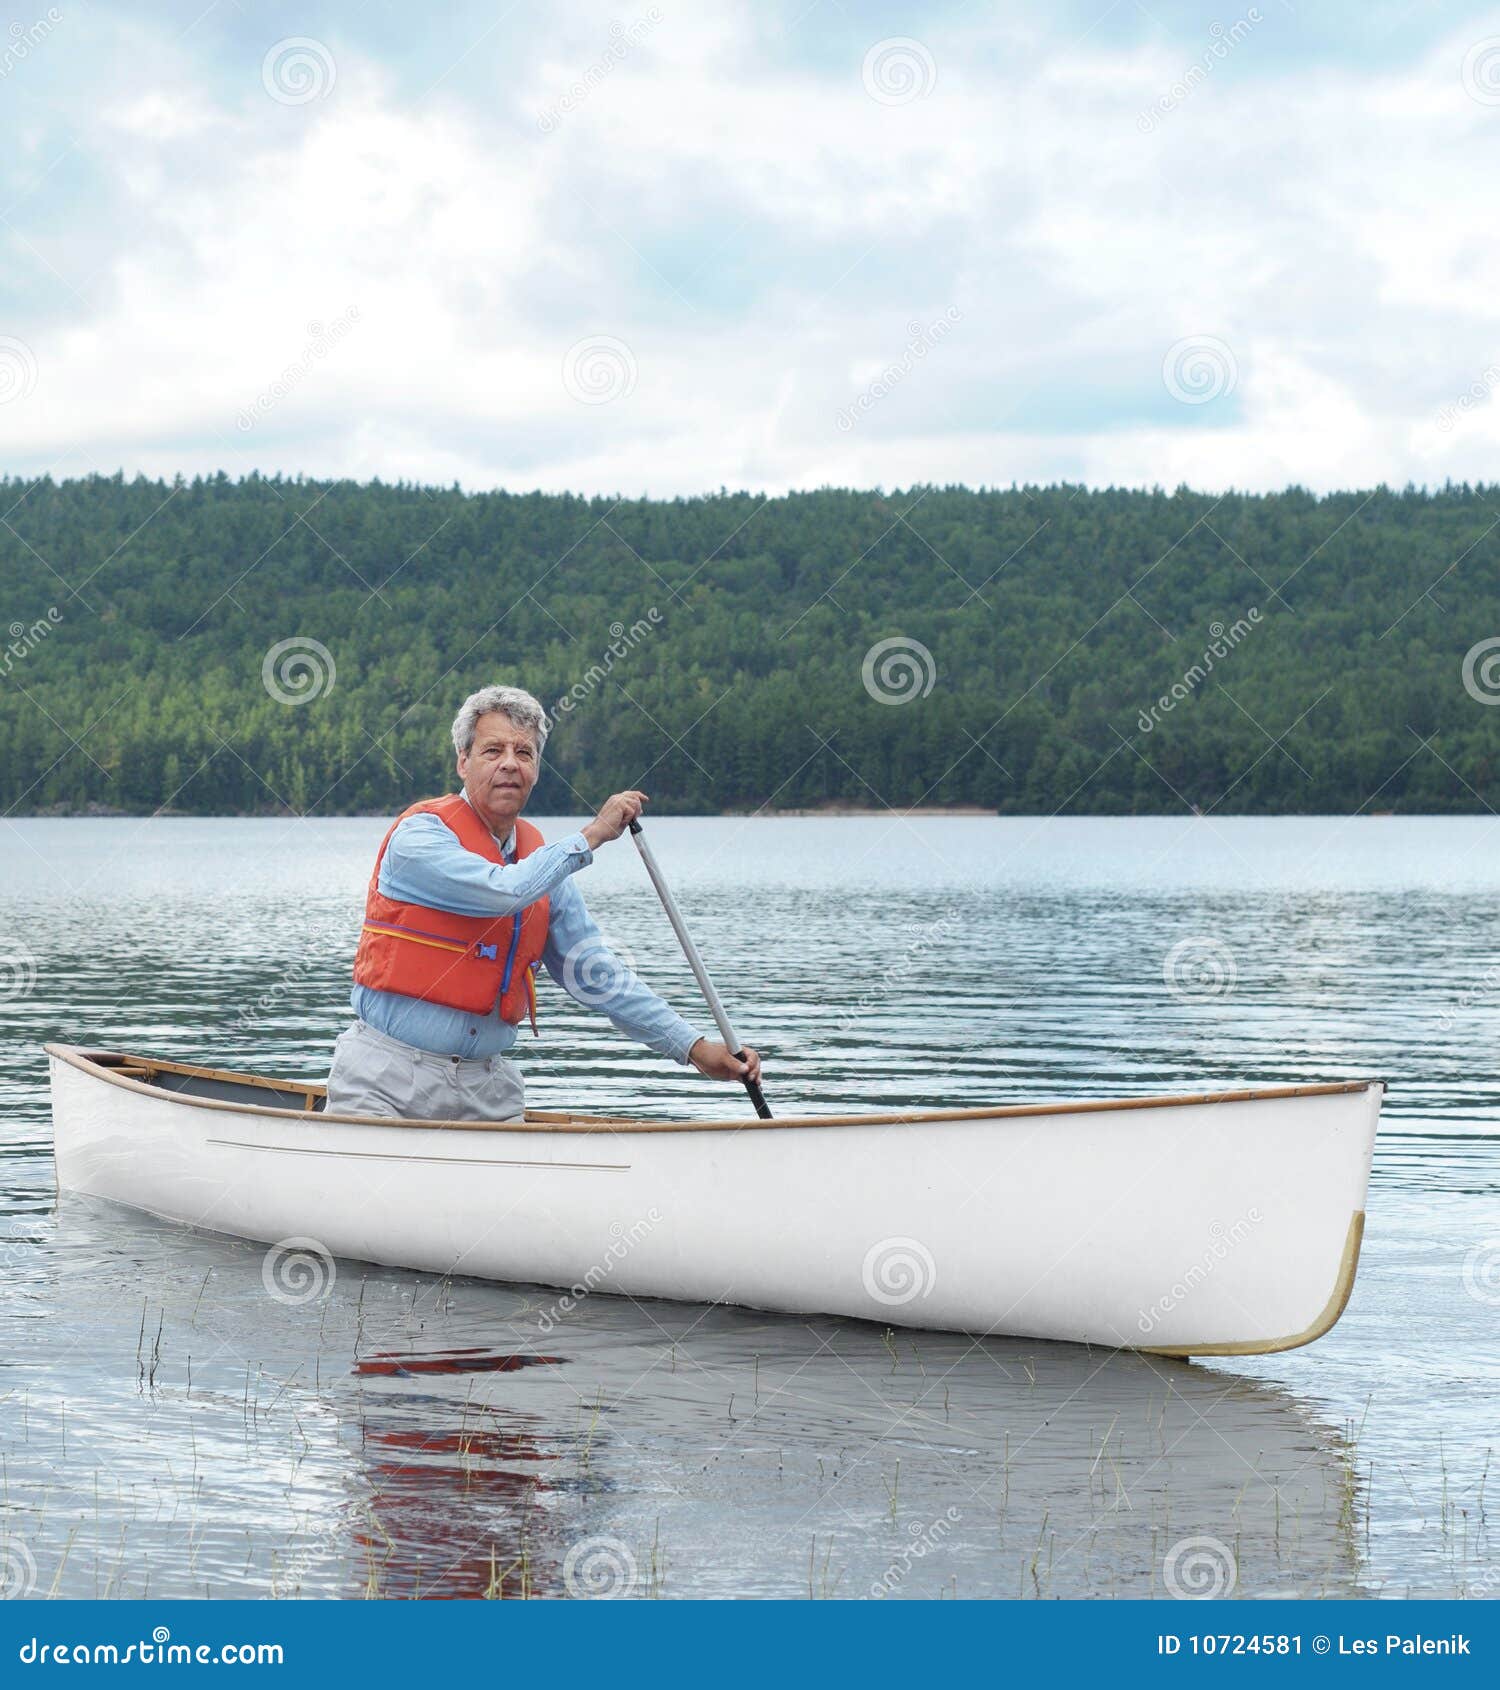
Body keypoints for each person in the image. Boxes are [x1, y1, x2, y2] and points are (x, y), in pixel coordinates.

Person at [325, 683, 761, 1122]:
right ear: (463, 761)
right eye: (493, 750)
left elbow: (599, 977)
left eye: (525, 753)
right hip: (387, 1081)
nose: (510, 763)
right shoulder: (419, 838)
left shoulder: (542, 865)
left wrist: (693, 1047)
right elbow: (503, 891)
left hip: (485, 1090)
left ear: (536, 770)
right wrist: (592, 835)